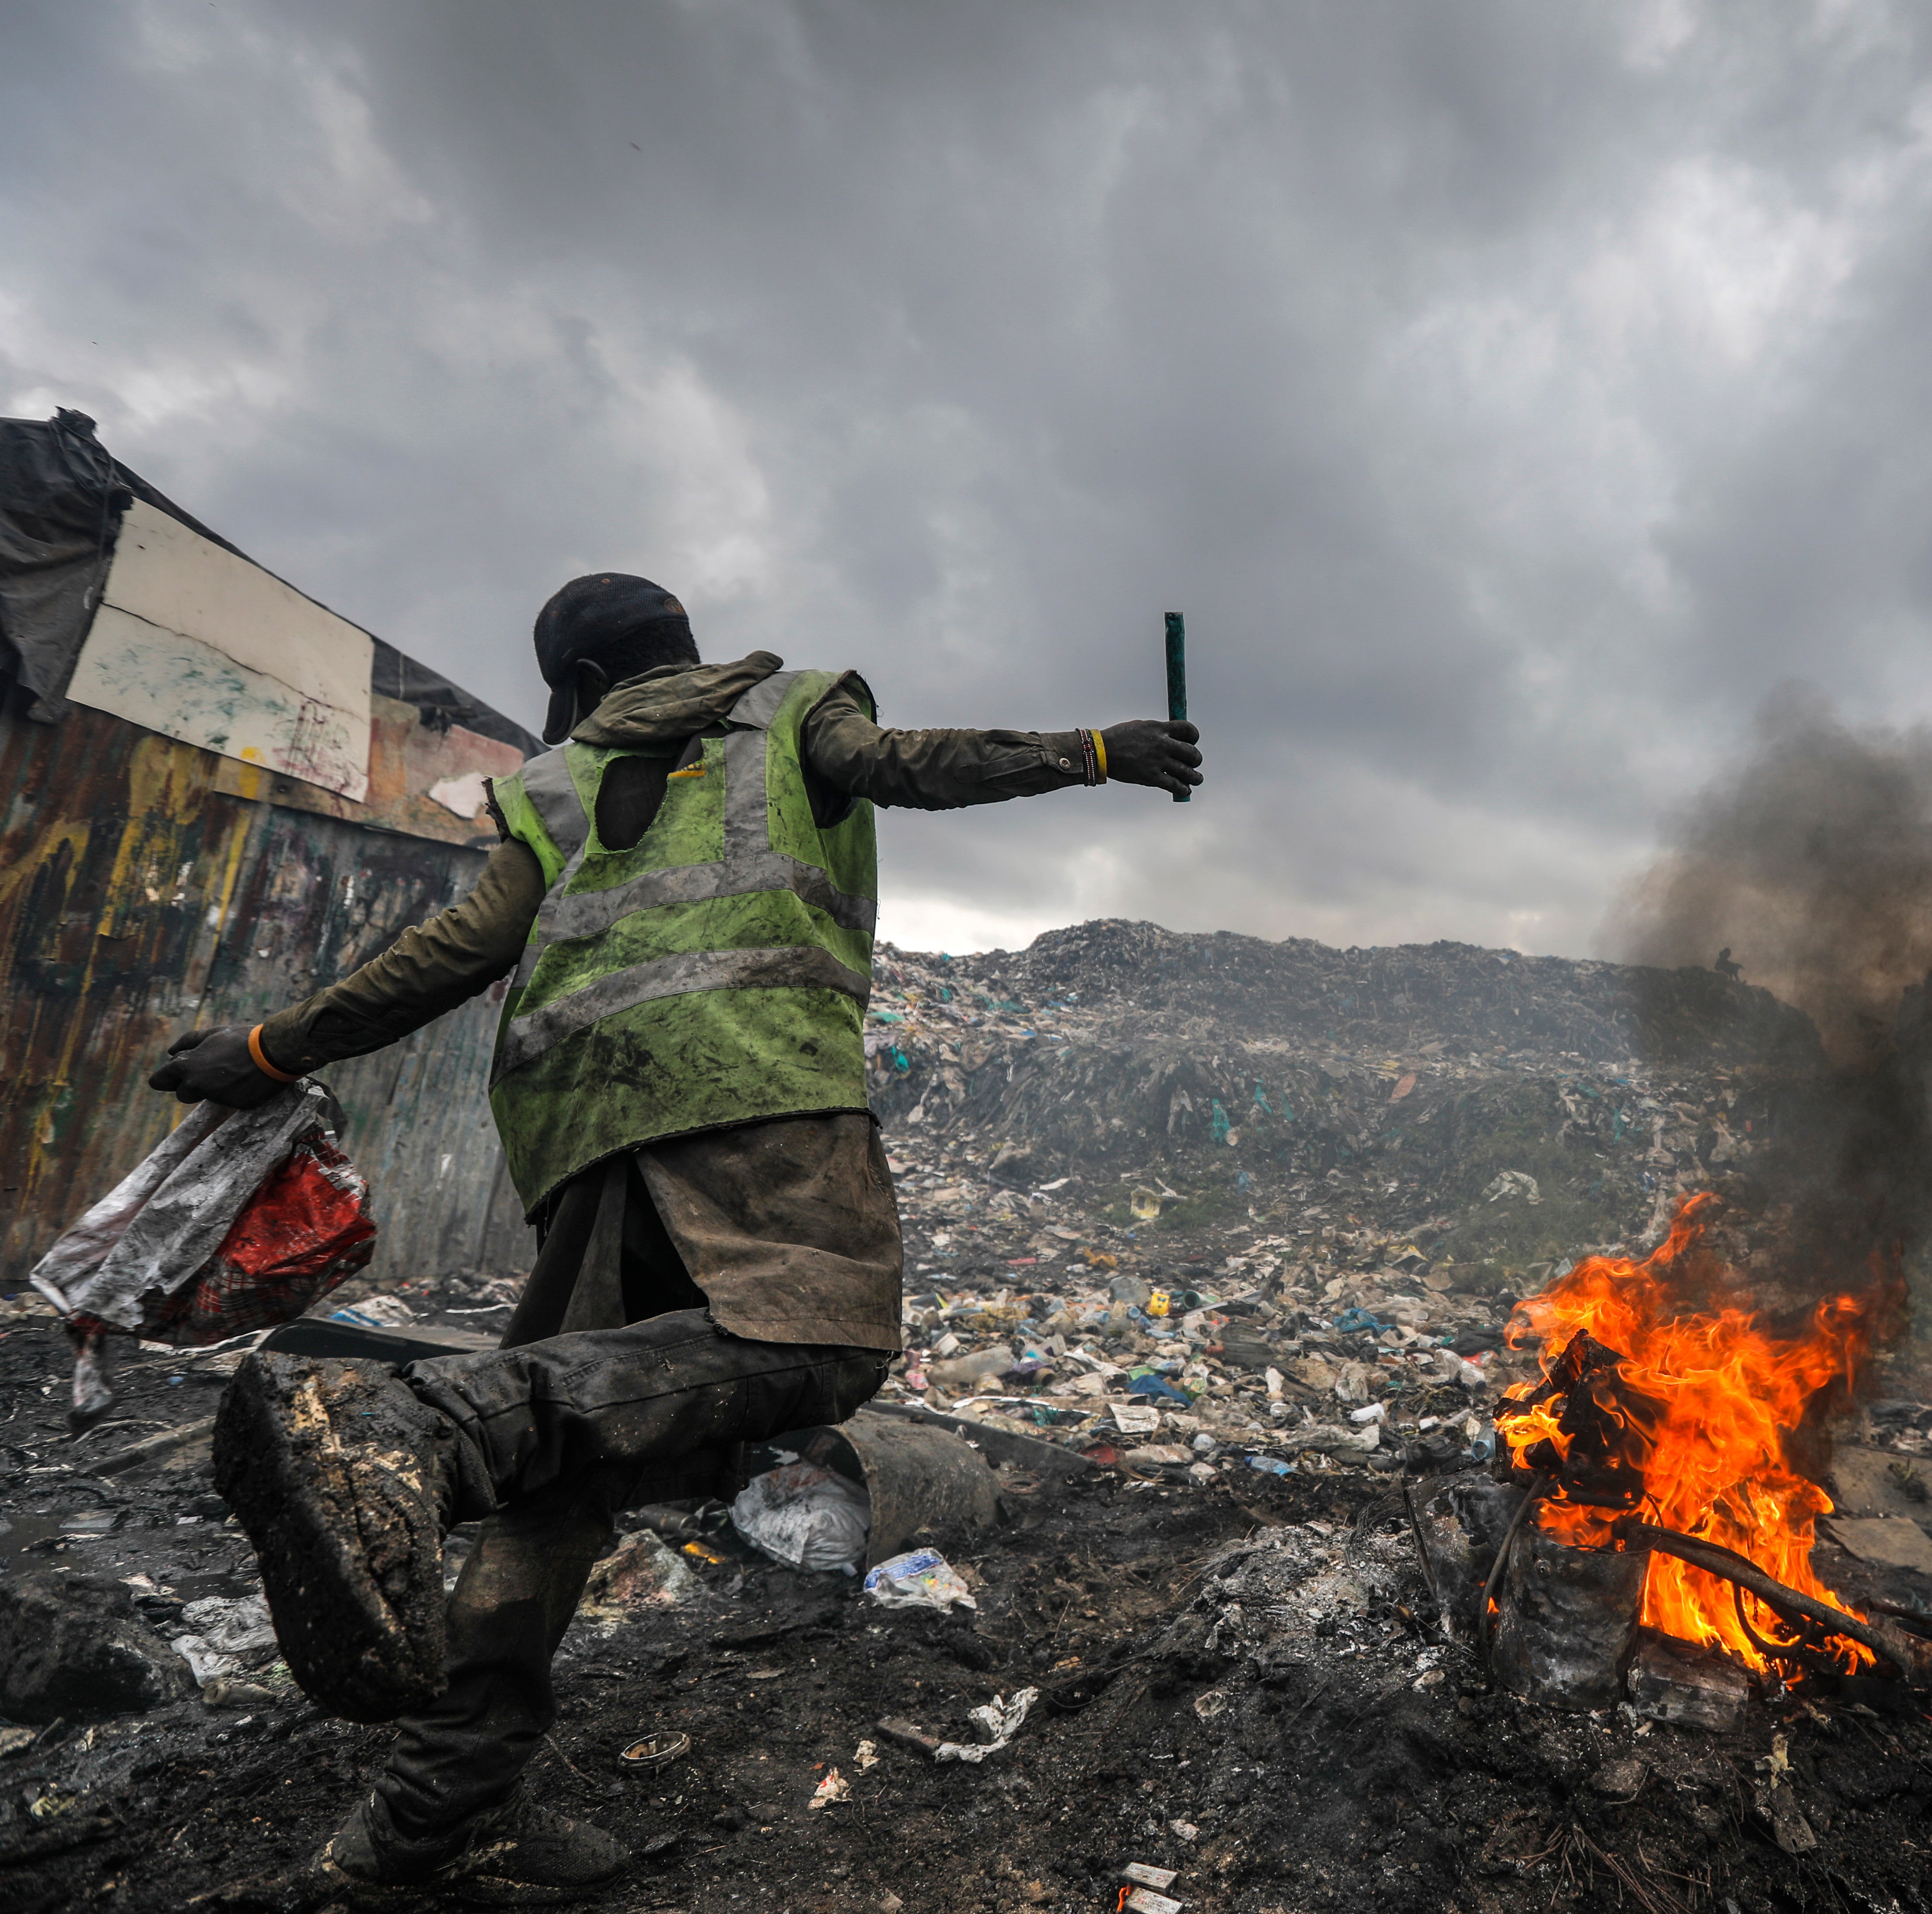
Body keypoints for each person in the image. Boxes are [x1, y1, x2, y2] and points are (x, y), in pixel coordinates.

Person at [147, 573, 1201, 1904]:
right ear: (677, 650)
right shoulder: (791, 705)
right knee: (818, 1346)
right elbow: (911, 767)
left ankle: (427, 1823)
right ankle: (420, 1429)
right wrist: (1099, 753)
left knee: (564, 1478)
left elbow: (454, 953)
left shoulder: (553, 781)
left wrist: (262, 1048)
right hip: (759, 1095)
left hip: (583, 1127)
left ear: (580, 687)